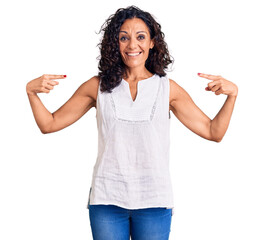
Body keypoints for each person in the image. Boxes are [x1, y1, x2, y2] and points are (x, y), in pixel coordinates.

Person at [26, 5, 238, 240]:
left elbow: (213, 131)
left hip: (154, 201)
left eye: (140, 37)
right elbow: (50, 124)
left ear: (151, 43)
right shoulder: (97, 86)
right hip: (107, 200)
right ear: (114, 44)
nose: (132, 45)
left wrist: (232, 96)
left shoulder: (167, 89)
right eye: (123, 38)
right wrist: (31, 93)